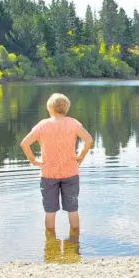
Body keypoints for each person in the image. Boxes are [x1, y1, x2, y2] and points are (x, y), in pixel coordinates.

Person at [20, 93, 93, 230]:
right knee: (73, 209)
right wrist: (81, 156)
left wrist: (33, 160)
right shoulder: (73, 124)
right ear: (66, 109)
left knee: (49, 211)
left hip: (48, 174)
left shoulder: (42, 125)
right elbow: (89, 139)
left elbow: (24, 143)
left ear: (49, 108)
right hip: (70, 172)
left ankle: (50, 245)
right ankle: (74, 241)